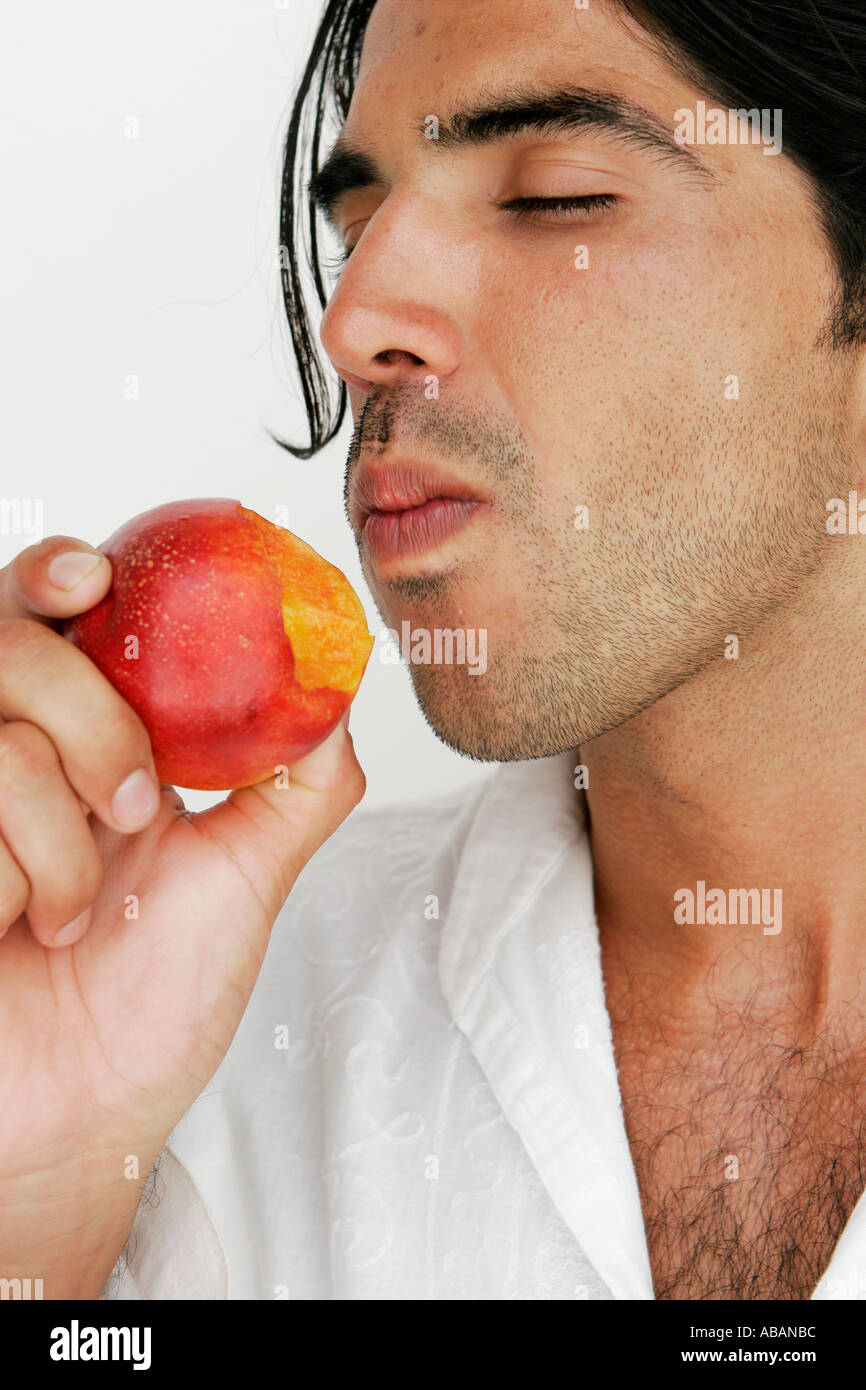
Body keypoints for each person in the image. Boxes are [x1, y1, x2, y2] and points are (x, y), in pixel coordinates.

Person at [1, 0, 865, 1301]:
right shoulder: (177, 1046)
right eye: (355, 226)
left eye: (557, 194)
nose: (355, 322)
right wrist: (29, 1239)